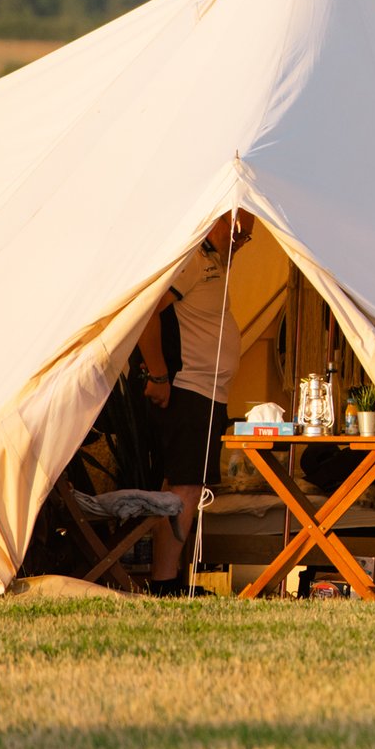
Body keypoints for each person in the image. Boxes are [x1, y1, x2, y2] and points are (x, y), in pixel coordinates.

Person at [145, 212, 251, 593]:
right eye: (234, 229)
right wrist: (158, 374)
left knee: (189, 487)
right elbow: (146, 315)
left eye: (244, 235)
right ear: (213, 221)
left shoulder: (218, 262)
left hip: (208, 393)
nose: (238, 239)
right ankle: (164, 583)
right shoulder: (193, 261)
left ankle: (172, 578)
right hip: (188, 389)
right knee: (184, 488)